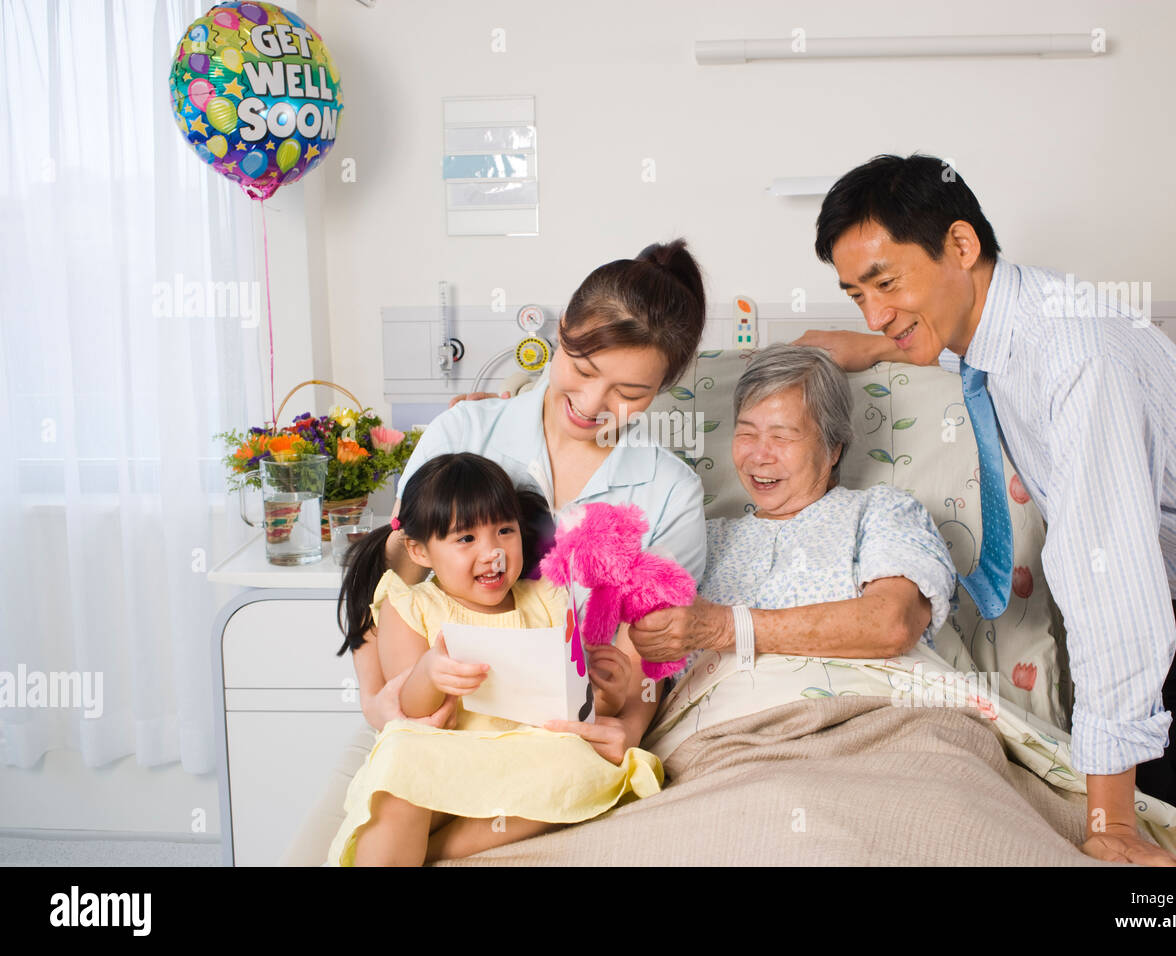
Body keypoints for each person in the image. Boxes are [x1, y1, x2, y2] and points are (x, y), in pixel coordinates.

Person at [792, 152, 1176, 867]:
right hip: (1174, 622)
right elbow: (973, 358)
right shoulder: (1001, 323)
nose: (875, 311)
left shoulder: (1076, 363)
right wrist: (876, 346)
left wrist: (1111, 822)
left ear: (961, 246)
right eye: (855, 296)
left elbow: (1113, 588)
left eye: (886, 283)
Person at [278, 239, 709, 864]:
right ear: (561, 333)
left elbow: (652, 648)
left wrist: (628, 729)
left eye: (629, 393)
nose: (593, 406)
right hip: (434, 716)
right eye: (583, 370)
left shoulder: (670, 490)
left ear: (662, 387)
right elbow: (392, 578)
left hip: (552, 735)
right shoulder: (464, 433)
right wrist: (379, 699)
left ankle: (438, 849)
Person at [327, 453, 660, 866]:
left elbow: (578, 708)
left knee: (575, 764)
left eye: (505, 531)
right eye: (466, 539)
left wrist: (605, 689)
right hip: (450, 759)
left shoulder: (547, 600)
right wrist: (429, 673)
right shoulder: (412, 606)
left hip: (528, 760)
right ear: (420, 550)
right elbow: (411, 713)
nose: (492, 553)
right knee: (400, 759)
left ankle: (430, 852)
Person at [628, 344, 955, 701]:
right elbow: (646, 669)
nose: (759, 456)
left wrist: (726, 627)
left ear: (835, 448)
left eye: (782, 436)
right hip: (724, 740)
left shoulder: (883, 512)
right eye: (747, 433)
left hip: (870, 719)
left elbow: (893, 623)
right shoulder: (701, 537)